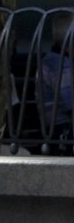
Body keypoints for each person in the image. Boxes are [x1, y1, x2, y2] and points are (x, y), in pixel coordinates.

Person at [36, 11, 74, 154]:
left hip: (51, 130)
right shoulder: (62, 65)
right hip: (63, 130)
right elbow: (71, 105)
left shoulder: (49, 60)